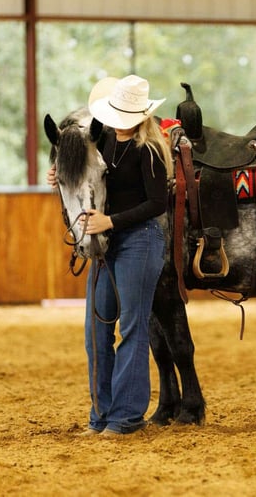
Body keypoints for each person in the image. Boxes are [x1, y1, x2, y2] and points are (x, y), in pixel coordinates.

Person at [48, 75, 173, 436]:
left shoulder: (149, 149)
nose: (120, 121)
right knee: (96, 332)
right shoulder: (100, 140)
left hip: (139, 240)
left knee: (133, 328)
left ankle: (125, 417)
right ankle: (100, 415)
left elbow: (157, 203)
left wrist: (110, 221)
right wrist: (58, 174)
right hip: (106, 243)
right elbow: (86, 176)